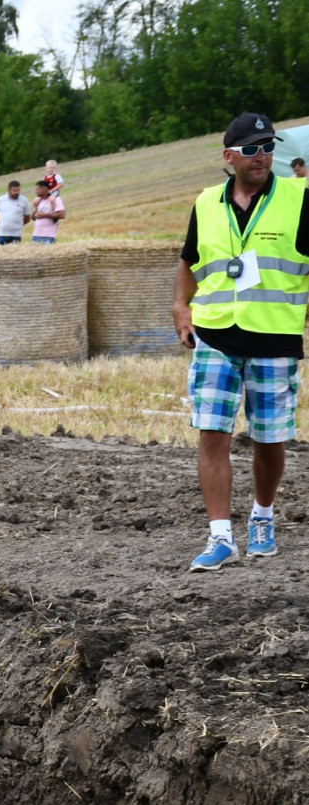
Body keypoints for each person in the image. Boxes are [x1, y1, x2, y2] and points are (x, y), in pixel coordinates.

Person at [173, 112, 309, 571]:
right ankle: (220, 536)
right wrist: (180, 306)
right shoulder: (206, 202)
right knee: (212, 433)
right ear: (229, 156)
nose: (262, 156)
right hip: (214, 334)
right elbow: (189, 260)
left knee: (269, 439)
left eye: (268, 147)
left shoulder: (299, 198)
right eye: (251, 149)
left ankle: (262, 517)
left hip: (274, 334)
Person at [31, 180, 65, 244]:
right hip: (35, 235)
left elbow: (62, 215)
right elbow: (33, 218)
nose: (35, 191)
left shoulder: (56, 199)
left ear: (44, 190)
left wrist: (44, 215)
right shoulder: (38, 201)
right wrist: (36, 211)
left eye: (37, 189)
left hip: (48, 236)